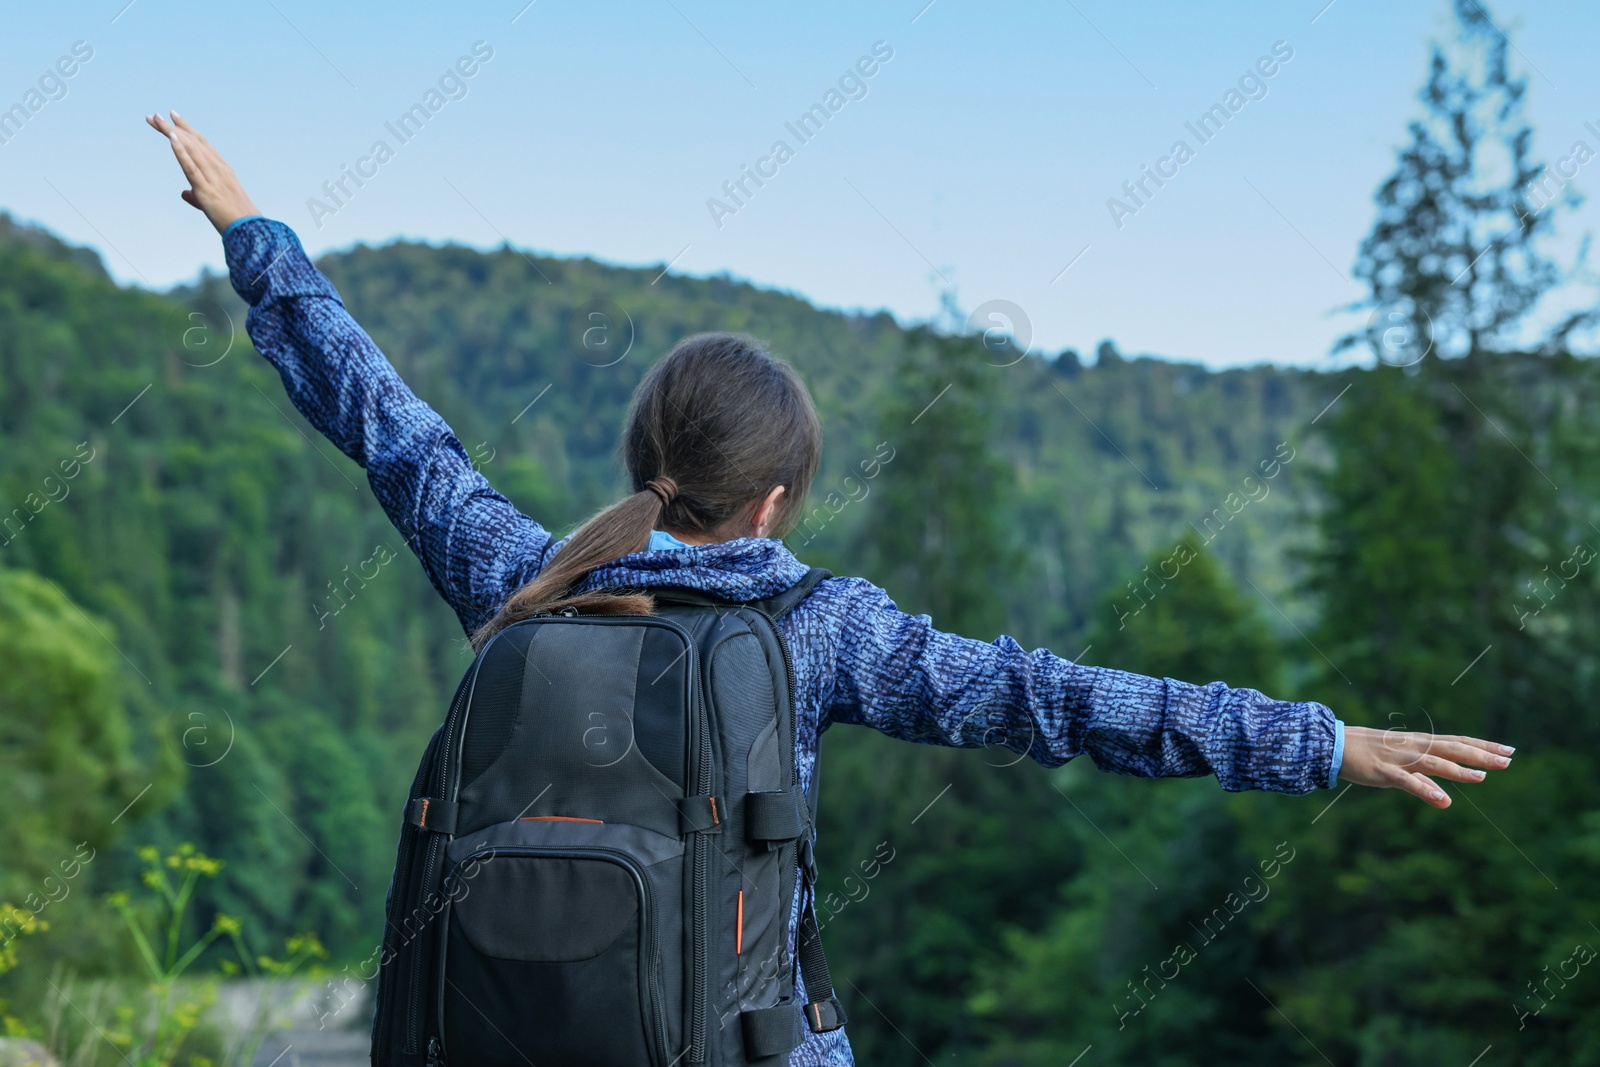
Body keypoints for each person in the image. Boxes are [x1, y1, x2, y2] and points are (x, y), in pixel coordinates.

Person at [148, 111, 1514, 1065]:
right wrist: (1322, 742)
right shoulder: (820, 631)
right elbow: (1069, 704)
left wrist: (256, 234)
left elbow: (388, 427)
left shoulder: (529, 578)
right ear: (779, 499)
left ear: (642, 462)